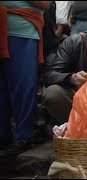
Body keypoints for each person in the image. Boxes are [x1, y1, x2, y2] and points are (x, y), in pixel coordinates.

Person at [0, 1, 50, 156]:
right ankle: (3, 136)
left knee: (23, 87)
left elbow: (45, 4)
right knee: (1, 90)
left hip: (23, 32)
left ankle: (24, 136)